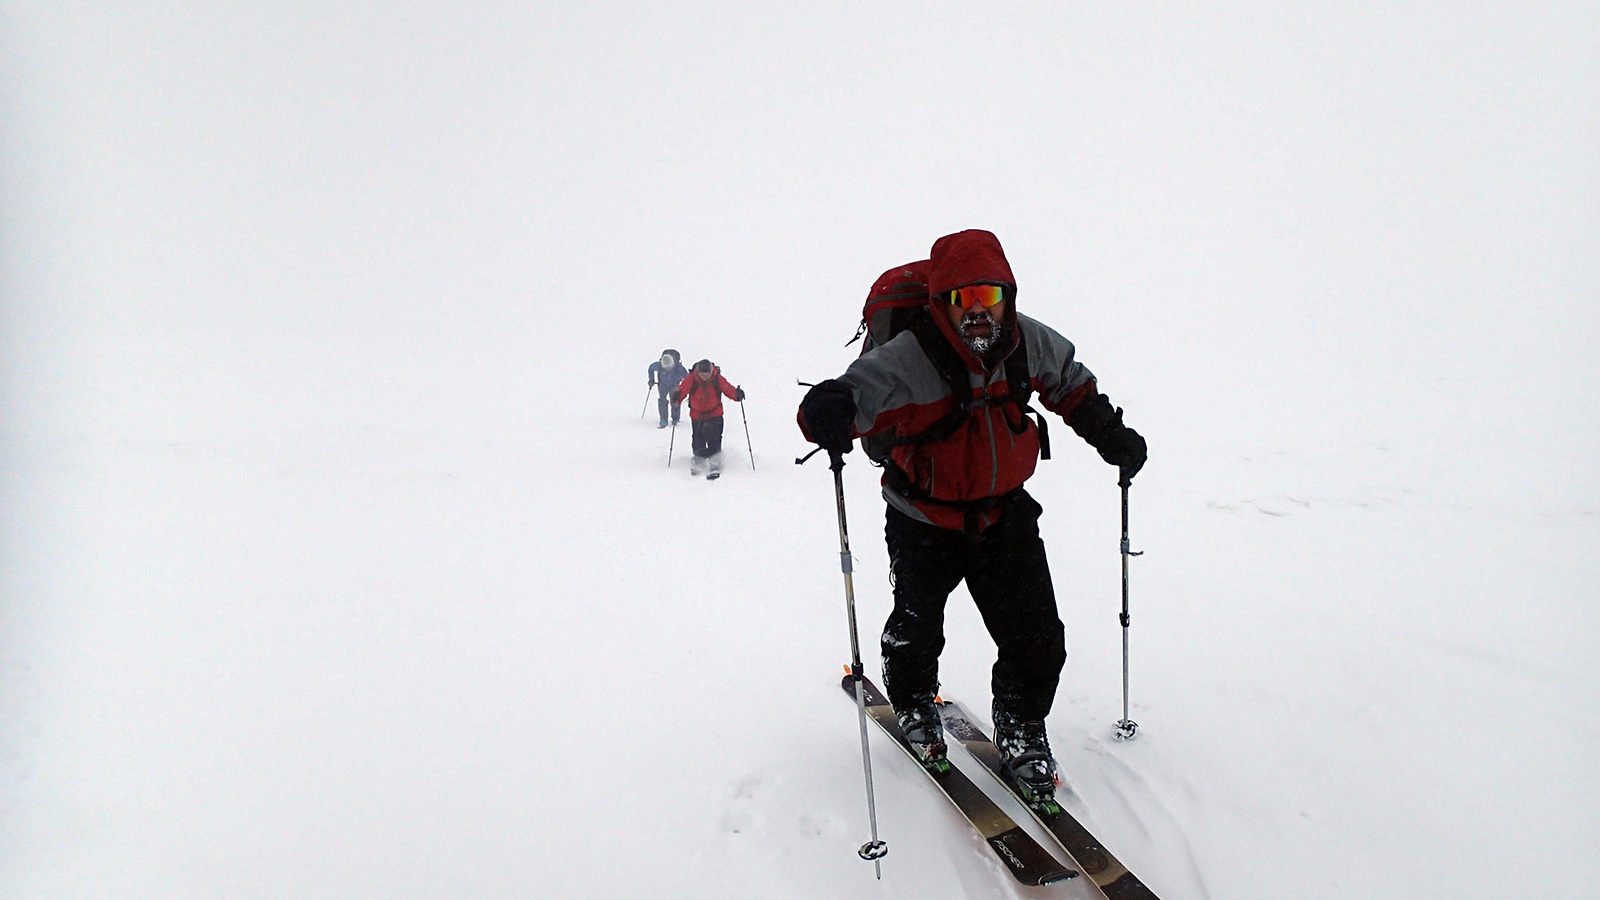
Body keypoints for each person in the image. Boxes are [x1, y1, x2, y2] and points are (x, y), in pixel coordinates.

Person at [796, 230, 1146, 803]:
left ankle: (1021, 724)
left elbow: (1072, 385)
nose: (978, 311)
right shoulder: (909, 357)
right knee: (917, 628)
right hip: (922, 519)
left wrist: (1111, 434)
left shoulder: (1028, 342)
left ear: (1008, 296)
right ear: (942, 303)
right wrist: (825, 410)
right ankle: (912, 703)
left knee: (1038, 638)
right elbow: (849, 398)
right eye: (964, 299)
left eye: (990, 296)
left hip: (1004, 516)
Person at [671, 359, 745, 479]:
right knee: (698, 438)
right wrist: (677, 396)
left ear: (711, 372)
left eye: (707, 374)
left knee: (715, 438)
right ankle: (699, 458)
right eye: (702, 374)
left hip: (715, 414)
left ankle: (715, 459)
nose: (704, 377)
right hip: (697, 416)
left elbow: (727, 388)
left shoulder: (717, 378)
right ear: (698, 372)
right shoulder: (691, 379)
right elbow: (683, 389)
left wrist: (736, 395)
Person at [648, 349, 688, 428]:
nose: (668, 369)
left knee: (675, 400)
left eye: (669, 368)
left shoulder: (679, 368)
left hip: (674, 385)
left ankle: (675, 418)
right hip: (662, 384)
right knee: (662, 400)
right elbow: (651, 368)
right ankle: (663, 419)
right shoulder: (658, 365)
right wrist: (651, 379)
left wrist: (686, 387)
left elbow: (687, 378)